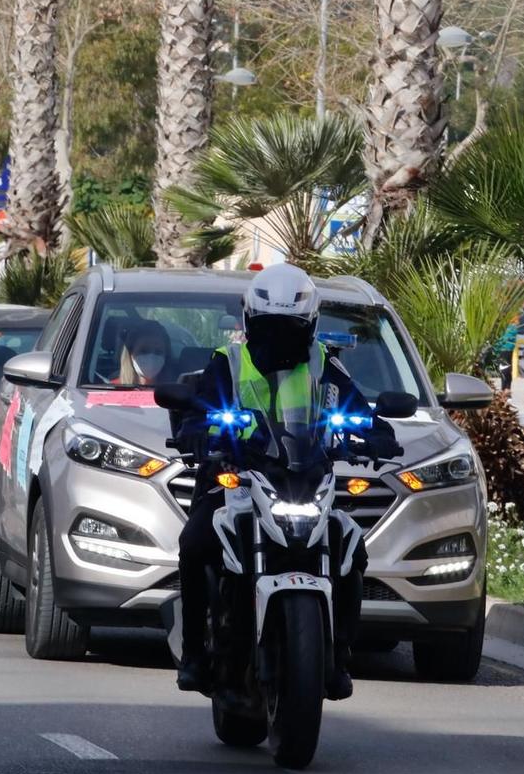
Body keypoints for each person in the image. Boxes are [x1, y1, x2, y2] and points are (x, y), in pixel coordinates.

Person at [165, 264, 399, 701]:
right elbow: (197, 409)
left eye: (288, 326)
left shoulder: (325, 365)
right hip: (234, 479)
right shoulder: (227, 362)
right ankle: (196, 652)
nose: (278, 336)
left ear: (308, 324)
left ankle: (340, 653)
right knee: (196, 542)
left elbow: (360, 412)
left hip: (304, 477)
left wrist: (377, 435)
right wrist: (198, 431)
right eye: (269, 325)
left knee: (351, 543)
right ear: (250, 321)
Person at [113, 320, 170, 387]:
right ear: (130, 354)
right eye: (144, 351)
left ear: (166, 356)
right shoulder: (113, 389)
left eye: (158, 352)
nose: (151, 357)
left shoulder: (175, 391)